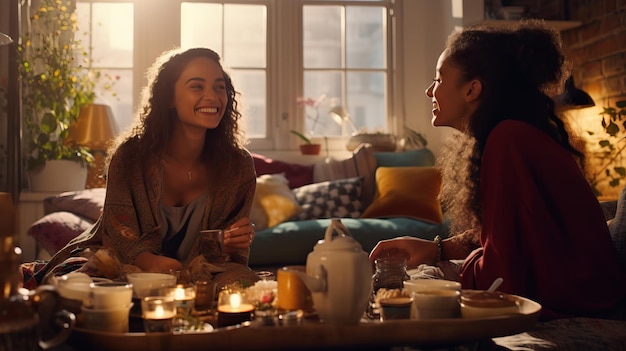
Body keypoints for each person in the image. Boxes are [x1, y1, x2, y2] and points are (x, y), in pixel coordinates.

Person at [369, 20, 626, 321]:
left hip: (573, 298)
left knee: (409, 288)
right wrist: (435, 250)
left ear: (472, 89)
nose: (429, 91)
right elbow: (504, 235)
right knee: (414, 280)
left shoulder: (508, 141)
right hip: (576, 291)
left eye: (439, 79)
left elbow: (505, 271)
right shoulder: (511, 136)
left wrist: (445, 273)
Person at [32, 47, 258, 287]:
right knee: (77, 286)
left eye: (219, 87)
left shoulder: (238, 166)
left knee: (244, 285)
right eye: (197, 86)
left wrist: (228, 241)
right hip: (123, 262)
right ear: (169, 96)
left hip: (205, 270)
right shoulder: (130, 157)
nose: (212, 96)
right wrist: (148, 262)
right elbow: (118, 235)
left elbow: (226, 253)